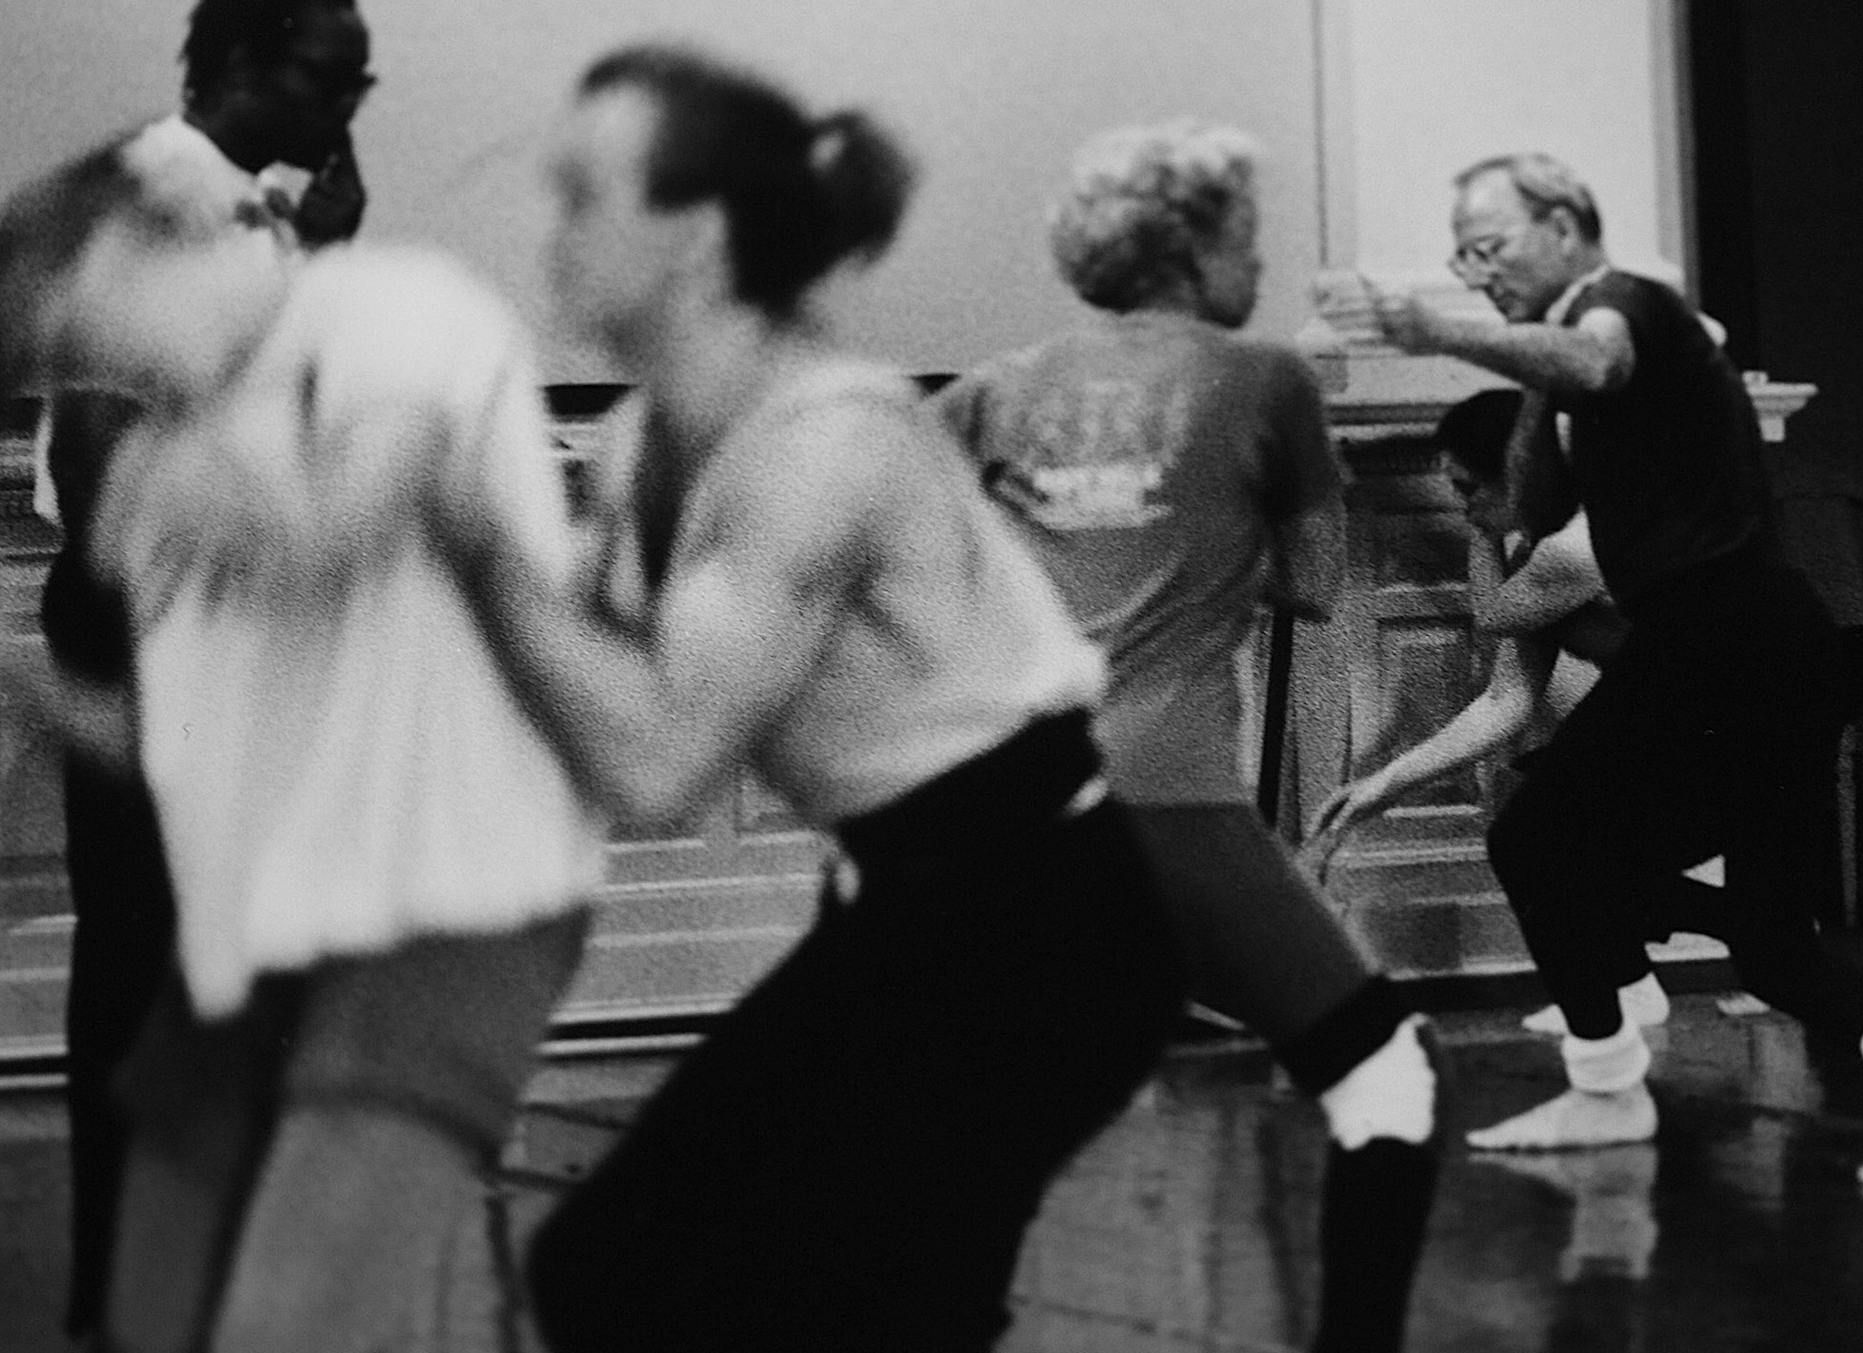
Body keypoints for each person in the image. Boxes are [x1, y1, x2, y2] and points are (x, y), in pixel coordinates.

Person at [422, 47, 1184, 1351]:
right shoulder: (639, 441)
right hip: (911, 915)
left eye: (584, 197)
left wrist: (472, 544)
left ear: (701, 239)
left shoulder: (828, 444)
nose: (552, 236)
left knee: (763, 1300)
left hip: (1044, 936)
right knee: (610, 1273)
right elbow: (585, 706)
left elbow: (659, 762)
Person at [0, 120, 600, 1352]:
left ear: (153, 243)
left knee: (285, 1327)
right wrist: (34, 690)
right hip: (260, 937)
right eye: (60, 357)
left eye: (84, 324)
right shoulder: (160, 458)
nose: (87, 369)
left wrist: (173, 488)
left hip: (446, 909)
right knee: (153, 1320)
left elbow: (336, 537)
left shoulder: (390, 314)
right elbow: (178, 750)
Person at [1359, 153, 1863, 1185]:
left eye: (1489, 246)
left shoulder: (1625, 303)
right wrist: (1523, 369)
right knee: (1774, 946)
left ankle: (1604, 1088)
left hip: (1715, 634)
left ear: (1563, 227)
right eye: (1459, 256)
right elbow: (1534, 508)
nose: (1473, 272)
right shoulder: (1574, 363)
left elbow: (1595, 361)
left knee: (1537, 836)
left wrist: (1438, 330)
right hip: (1781, 643)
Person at [935, 119, 1441, 1353]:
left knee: (998, 1105)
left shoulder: (983, 393)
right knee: (1389, 1087)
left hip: (1008, 809)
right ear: (1196, 242)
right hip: (1169, 802)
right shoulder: (1266, 380)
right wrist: (1200, 538)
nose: (1258, 267)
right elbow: (1316, 584)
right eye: (1249, 236)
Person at [25, 1, 371, 1339]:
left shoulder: (241, 211)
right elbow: (115, 452)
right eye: (330, 73)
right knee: (144, 955)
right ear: (237, 65)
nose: (357, 97)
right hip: (154, 616)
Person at [1306, 389, 1682, 1038]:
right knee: (1544, 834)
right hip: (1653, 719)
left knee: (1547, 843)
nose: (1462, 506)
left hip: (1725, 721)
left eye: (1467, 486)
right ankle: (1628, 988)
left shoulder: (1581, 545)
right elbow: (1506, 702)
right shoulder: (1536, 547)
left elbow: (1491, 614)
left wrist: (1485, 529)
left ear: (1518, 471)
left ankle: (1627, 1006)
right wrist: (1383, 785)